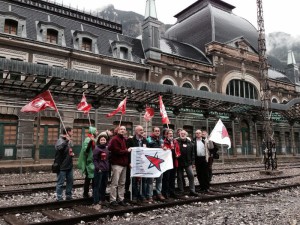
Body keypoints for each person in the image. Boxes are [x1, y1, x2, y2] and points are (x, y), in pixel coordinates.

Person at [108, 126, 131, 206]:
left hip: (123, 164)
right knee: (114, 183)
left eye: (124, 129)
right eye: (121, 129)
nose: (123, 130)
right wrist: (126, 151)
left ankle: (121, 198)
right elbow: (117, 151)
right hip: (117, 164)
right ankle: (112, 200)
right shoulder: (115, 139)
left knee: (122, 183)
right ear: (117, 130)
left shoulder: (124, 139)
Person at [126, 125, 149, 203]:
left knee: (143, 180)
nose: (141, 131)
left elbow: (148, 151)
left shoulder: (145, 140)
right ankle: (134, 196)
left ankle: (142, 195)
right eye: (140, 130)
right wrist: (129, 162)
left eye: (142, 130)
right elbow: (128, 153)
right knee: (134, 180)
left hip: (142, 163)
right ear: (135, 131)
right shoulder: (131, 140)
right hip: (134, 163)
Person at [77, 126, 98, 198]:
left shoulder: (95, 139)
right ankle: (85, 193)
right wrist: (90, 142)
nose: (97, 132)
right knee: (88, 179)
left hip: (94, 162)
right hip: (89, 162)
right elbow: (86, 150)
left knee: (94, 179)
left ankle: (94, 194)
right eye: (96, 131)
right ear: (93, 132)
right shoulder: (87, 139)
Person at [54, 127, 74, 201]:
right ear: (68, 132)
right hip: (62, 166)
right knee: (60, 183)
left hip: (69, 165)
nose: (73, 133)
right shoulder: (60, 140)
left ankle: (68, 195)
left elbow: (69, 150)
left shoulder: (69, 141)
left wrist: (72, 154)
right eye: (72, 132)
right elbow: (59, 149)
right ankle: (59, 197)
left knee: (70, 181)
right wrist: (66, 141)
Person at [177, 130, 198, 196]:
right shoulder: (176, 142)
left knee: (191, 176)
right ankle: (181, 190)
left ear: (186, 135)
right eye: (181, 134)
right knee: (179, 177)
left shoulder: (190, 143)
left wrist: (193, 162)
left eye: (184, 134)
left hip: (188, 162)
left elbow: (193, 153)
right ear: (179, 134)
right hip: (179, 163)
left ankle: (192, 190)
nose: (182, 135)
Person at [146, 126, 165, 201]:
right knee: (150, 180)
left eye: (158, 131)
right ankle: (150, 195)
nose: (157, 132)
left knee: (159, 179)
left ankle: (158, 193)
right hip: (151, 161)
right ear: (153, 132)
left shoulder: (161, 139)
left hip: (159, 162)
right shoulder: (149, 139)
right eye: (156, 131)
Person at [161, 129, 181, 199]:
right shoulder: (164, 142)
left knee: (172, 178)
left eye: (172, 133)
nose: (171, 134)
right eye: (169, 133)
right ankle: (165, 192)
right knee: (166, 178)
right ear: (166, 135)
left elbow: (178, 150)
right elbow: (162, 150)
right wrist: (164, 148)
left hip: (174, 162)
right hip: (167, 163)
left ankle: (172, 191)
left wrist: (178, 154)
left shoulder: (175, 141)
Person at [93, 132, 110, 208]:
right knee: (97, 185)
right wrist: (97, 168)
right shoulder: (97, 149)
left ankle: (102, 199)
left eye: (104, 140)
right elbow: (95, 159)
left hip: (106, 169)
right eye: (101, 140)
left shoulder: (106, 148)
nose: (103, 141)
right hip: (99, 170)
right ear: (99, 141)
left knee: (104, 185)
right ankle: (96, 201)